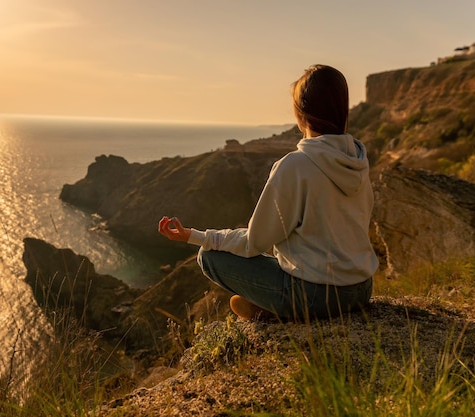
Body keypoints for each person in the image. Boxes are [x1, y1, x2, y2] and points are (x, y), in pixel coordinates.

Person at [158, 64, 378, 321]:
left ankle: (275, 311)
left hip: (318, 298)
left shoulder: (296, 165)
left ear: (301, 113)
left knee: (209, 257)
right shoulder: (357, 160)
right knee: (281, 262)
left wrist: (194, 236)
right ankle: (272, 307)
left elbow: (255, 242)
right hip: (361, 290)